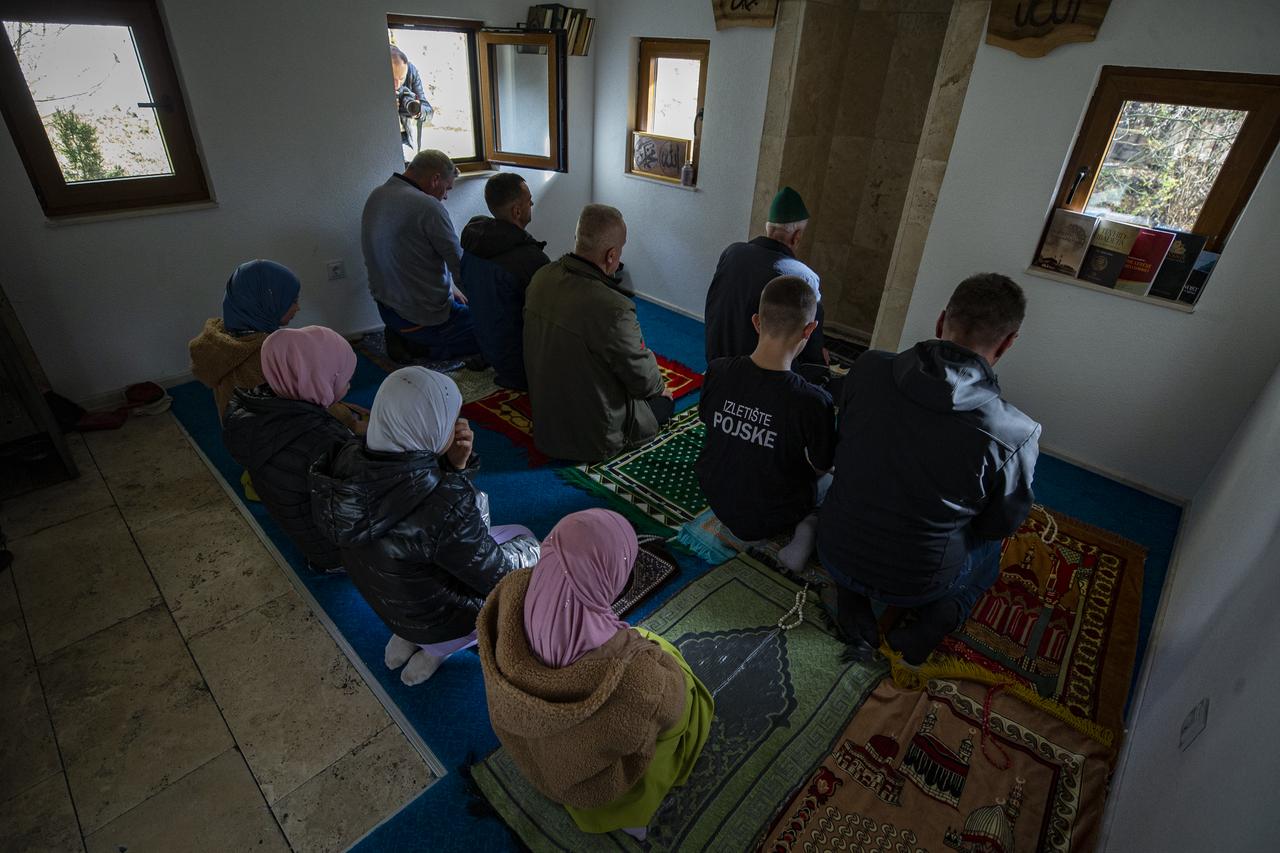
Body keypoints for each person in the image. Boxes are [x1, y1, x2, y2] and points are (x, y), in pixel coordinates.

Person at [818, 273, 1041, 665]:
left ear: (941, 322)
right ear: (1007, 343)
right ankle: (941, 617)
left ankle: (851, 599)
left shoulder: (867, 368)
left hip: (835, 546)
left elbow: (841, 447)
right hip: (920, 581)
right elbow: (997, 525)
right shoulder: (1015, 432)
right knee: (991, 551)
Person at [477, 509, 713, 839]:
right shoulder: (634, 675)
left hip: (532, 755)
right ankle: (630, 814)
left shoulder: (510, 595)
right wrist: (651, 663)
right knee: (683, 698)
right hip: (592, 786)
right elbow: (670, 710)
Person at [311, 366, 540, 685]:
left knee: (412, 571)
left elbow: (408, 510)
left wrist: (452, 468)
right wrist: (457, 479)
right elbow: (497, 575)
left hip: (390, 607)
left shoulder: (344, 458)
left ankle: (408, 637)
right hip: (443, 620)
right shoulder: (442, 507)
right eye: (448, 420)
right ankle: (441, 648)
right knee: (528, 544)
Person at [695, 275, 836, 572]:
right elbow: (823, 464)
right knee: (835, 482)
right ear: (809, 330)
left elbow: (708, 422)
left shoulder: (717, 370)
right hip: (774, 511)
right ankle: (809, 527)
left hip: (716, 493)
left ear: (757, 322)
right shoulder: (812, 400)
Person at [524, 204, 672, 462]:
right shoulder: (614, 308)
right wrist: (660, 389)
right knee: (664, 402)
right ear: (611, 256)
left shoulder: (541, 277)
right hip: (595, 439)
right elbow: (644, 381)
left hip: (545, 424)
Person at [223, 326, 361, 573]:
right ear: (319, 379)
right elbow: (360, 504)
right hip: (333, 551)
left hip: (301, 531)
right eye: (343, 377)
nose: (348, 384)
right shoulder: (325, 439)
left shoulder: (246, 409)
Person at [190, 260, 361, 428]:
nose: (298, 307)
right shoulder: (268, 355)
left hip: (242, 436)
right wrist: (350, 421)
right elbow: (311, 409)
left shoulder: (222, 345)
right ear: (266, 302)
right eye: (292, 301)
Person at [361, 149, 479, 365]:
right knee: (495, 330)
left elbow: (408, 255)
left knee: (463, 307)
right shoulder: (428, 207)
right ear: (435, 179)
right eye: (447, 188)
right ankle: (420, 347)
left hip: (388, 310)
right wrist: (485, 305)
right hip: (423, 318)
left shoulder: (377, 195)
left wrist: (450, 289)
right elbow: (460, 265)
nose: (445, 196)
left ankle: (402, 334)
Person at [703, 186, 828, 380]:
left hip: (717, 360)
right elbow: (810, 340)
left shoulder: (732, 252)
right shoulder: (804, 276)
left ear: (768, 228)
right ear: (796, 236)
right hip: (761, 376)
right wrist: (820, 368)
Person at [459, 173, 551, 389]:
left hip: (487, 348)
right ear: (517, 211)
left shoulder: (474, 243)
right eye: (529, 201)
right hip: (520, 367)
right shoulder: (530, 259)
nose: (532, 205)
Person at [390, 45, 433, 146]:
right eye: (393, 79)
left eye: (401, 79)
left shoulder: (411, 72)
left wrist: (417, 111)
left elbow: (429, 111)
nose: (397, 85)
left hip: (404, 138)